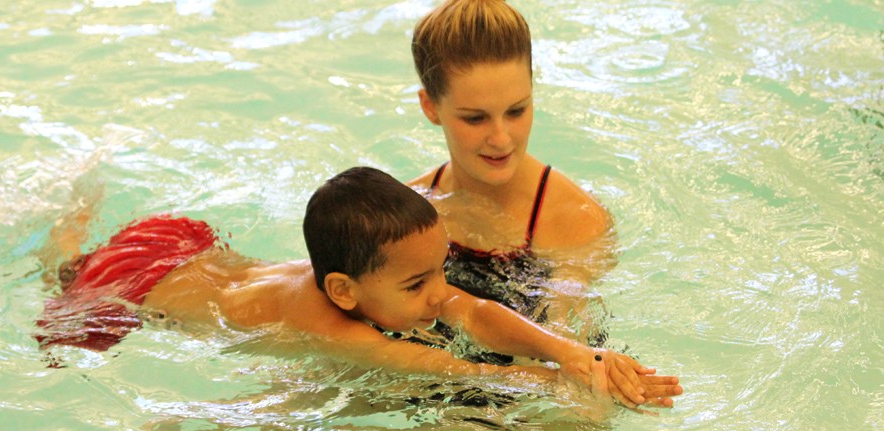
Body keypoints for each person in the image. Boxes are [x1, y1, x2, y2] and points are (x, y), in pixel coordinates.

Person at [34, 166, 682, 409]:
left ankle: (75, 208)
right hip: (131, 284)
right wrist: (569, 381)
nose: (439, 293)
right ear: (344, 290)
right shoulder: (329, 323)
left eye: (439, 269)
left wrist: (574, 352)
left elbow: (475, 312)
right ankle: (64, 232)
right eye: (417, 282)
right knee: (61, 271)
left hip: (190, 247)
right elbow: (446, 363)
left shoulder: (379, 280)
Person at [406, 0, 615, 346]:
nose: (501, 139)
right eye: (475, 118)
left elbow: (572, 351)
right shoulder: (408, 210)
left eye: (516, 111)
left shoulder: (575, 221)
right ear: (430, 106)